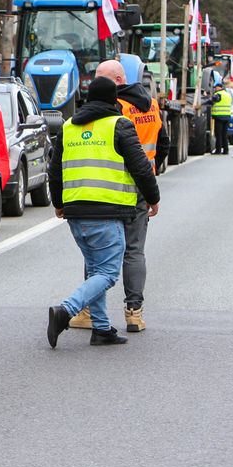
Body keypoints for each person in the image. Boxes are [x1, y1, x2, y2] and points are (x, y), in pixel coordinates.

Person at [47, 77, 160, 348]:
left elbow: (54, 169)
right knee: (108, 273)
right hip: (107, 212)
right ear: (114, 100)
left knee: (96, 269)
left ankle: (101, 328)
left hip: (75, 212)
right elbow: (141, 167)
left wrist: (59, 203)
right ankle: (66, 310)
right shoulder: (119, 125)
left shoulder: (68, 127)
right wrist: (153, 199)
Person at [67, 60, 168, 333]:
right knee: (134, 251)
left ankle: (87, 310)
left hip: (113, 187)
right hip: (141, 187)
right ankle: (134, 313)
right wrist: (151, 184)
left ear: (118, 80)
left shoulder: (113, 110)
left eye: (103, 78)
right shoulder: (152, 105)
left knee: (97, 253)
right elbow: (163, 144)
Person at [210, 80, 233, 154]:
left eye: (215, 87)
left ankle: (218, 150)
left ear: (218, 87)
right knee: (224, 134)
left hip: (219, 117)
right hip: (227, 117)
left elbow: (211, 101)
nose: (214, 89)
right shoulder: (228, 94)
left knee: (218, 134)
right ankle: (226, 150)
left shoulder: (218, 94)